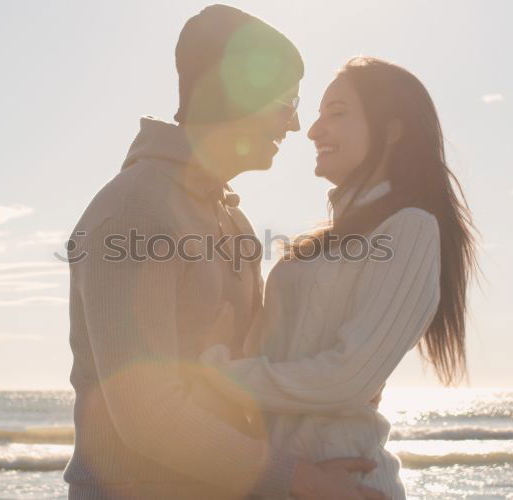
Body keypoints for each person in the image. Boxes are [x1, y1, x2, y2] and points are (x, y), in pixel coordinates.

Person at [62, 5, 386, 499]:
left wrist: (336, 397)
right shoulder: (134, 212)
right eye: (286, 101)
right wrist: (300, 481)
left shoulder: (230, 219)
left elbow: (245, 377)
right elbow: (146, 414)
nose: (296, 124)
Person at [198, 56, 480, 499]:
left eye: (338, 113)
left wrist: (218, 374)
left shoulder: (410, 228)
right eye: (319, 113)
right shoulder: (320, 245)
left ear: (392, 130)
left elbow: (348, 378)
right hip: (289, 482)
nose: (313, 130)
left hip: (351, 482)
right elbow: (285, 353)